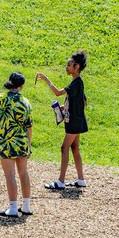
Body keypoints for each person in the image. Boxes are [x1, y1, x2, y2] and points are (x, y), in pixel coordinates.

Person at [36, 50, 88, 190]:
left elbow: (58, 92)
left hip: (74, 122)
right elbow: (82, 101)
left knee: (64, 147)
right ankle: (81, 179)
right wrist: (66, 106)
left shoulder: (76, 83)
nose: (67, 67)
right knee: (74, 148)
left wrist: (47, 80)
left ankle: (60, 181)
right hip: (77, 120)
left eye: (69, 65)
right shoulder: (77, 83)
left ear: (76, 67)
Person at [0, 72, 33, 217]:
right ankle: (26, 206)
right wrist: (28, 146)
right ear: (21, 86)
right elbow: (29, 126)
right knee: (23, 173)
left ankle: (12, 208)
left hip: (5, 142)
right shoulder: (26, 102)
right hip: (22, 141)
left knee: (10, 175)